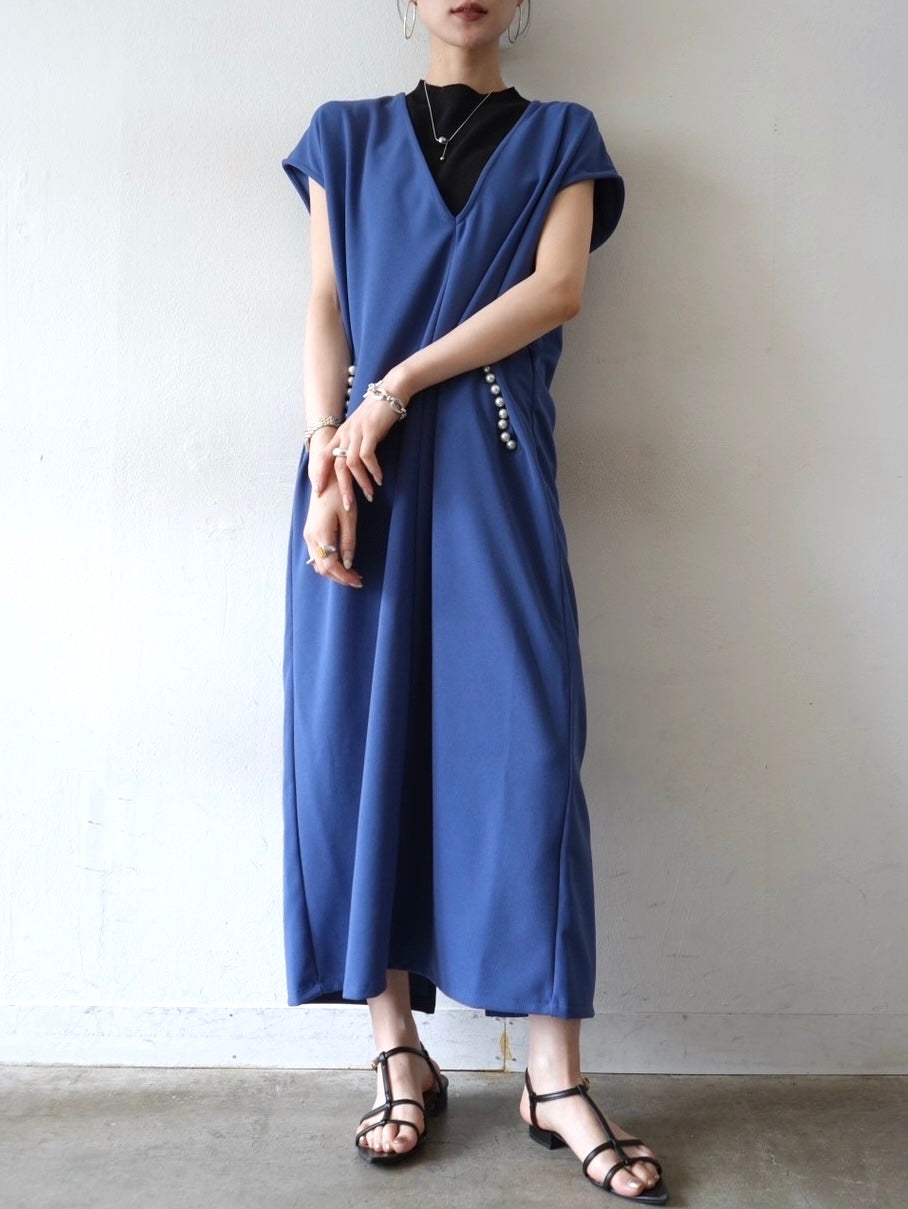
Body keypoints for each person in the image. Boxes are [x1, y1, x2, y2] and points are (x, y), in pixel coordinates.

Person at [280, 1, 668, 1201]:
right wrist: (325, 460)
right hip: (361, 478)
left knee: (528, 758)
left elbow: (556, 291)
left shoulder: (561, 136)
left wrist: (391, 390)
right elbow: (326, 304)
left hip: (487, 474)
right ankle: (397, 1052)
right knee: (361, 753)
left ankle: (552, 1079)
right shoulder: (343, 135)